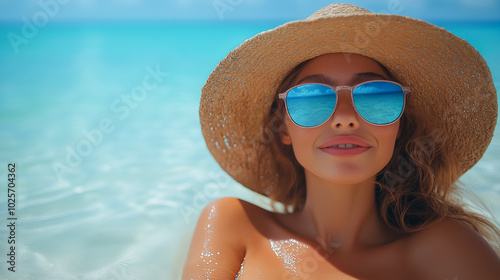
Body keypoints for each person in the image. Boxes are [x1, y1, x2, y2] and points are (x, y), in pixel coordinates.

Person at [183, 3, 500, 279]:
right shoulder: (235, 224)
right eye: (311, 98)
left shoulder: (448, 247)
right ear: (282, 127)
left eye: (377, 95)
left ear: (400, 124)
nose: (344, 117)